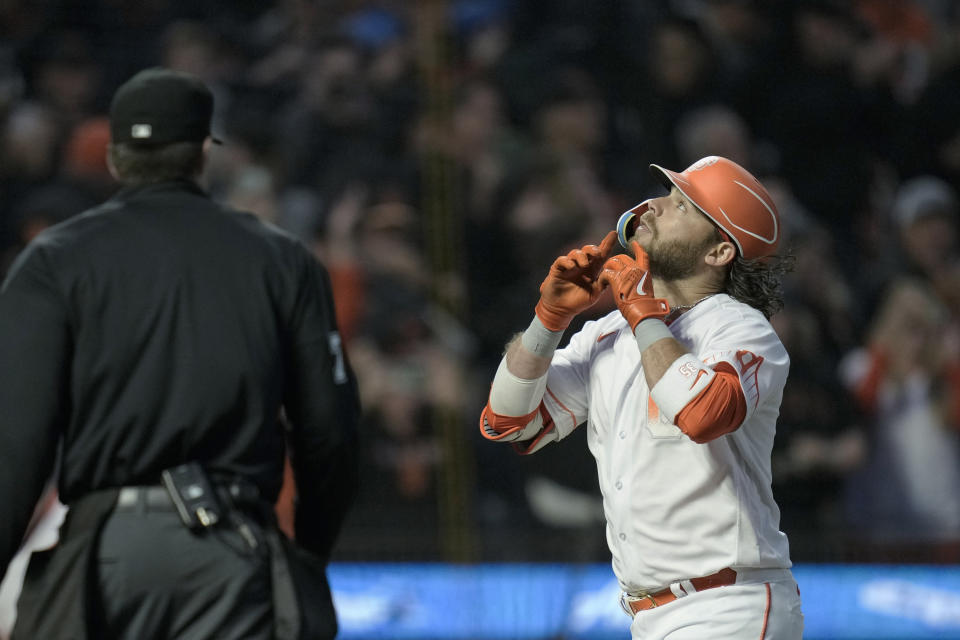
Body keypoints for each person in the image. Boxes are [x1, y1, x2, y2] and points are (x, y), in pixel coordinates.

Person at [0, 67, 360, 640]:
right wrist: (309, 552)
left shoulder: (53, 261)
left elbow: (16, 443)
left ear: (117, 159)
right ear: (201, 153)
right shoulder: (282, 261)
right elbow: (330, 434)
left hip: (104, 551)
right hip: (232, 550)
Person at [479, 155, 804, 638]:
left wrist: (640, 312)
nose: (652, 207)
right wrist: (548, 319)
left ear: (718, 252)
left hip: (729, 604)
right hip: (651, 614)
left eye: (682, 206)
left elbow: (702, 413)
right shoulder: (607, 332)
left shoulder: (741, 328)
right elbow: (509, 423)